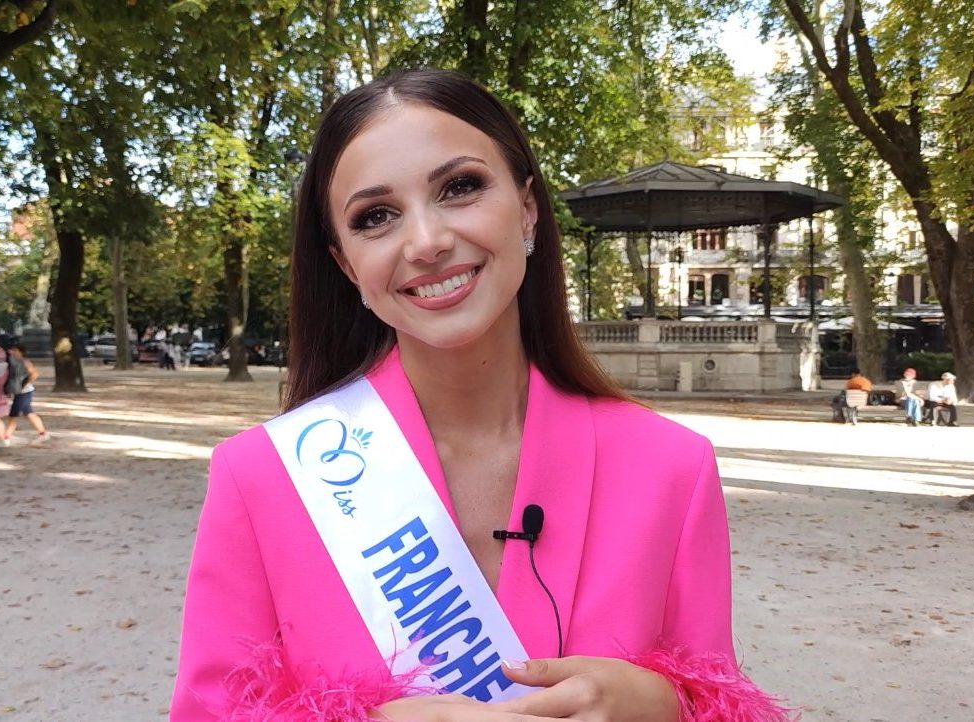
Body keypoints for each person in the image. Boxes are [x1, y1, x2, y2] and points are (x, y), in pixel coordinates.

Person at [170, 70, 792, 722]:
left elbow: (721, 701)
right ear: (347, 264)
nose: (427, 241)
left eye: (460, 187)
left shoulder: (672, 468)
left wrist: (665, 705)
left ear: (527, 209)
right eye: (376, 217)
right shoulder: (262, 477)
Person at [3, 343, 52, 446]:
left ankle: (6, 437)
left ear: (21, 352)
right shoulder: (14, 363)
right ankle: (43, 433)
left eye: (15, 350)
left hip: (24, 392)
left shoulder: (25, 362)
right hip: (20, 392)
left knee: (13, 415)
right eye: (12, 350)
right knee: (29, 413)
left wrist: (23, 384)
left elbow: (34, 374)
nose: (13, 352)